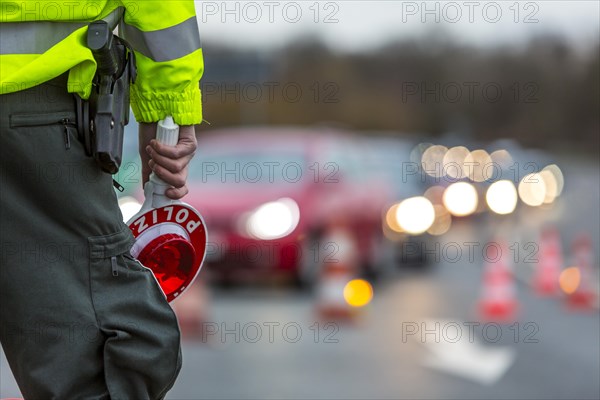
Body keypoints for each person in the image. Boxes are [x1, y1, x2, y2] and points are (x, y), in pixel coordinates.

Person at [0, 1, 203, 398]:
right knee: (109, 347)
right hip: (36, 111)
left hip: (37, 123)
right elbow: (161, 12)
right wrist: (167, 114)